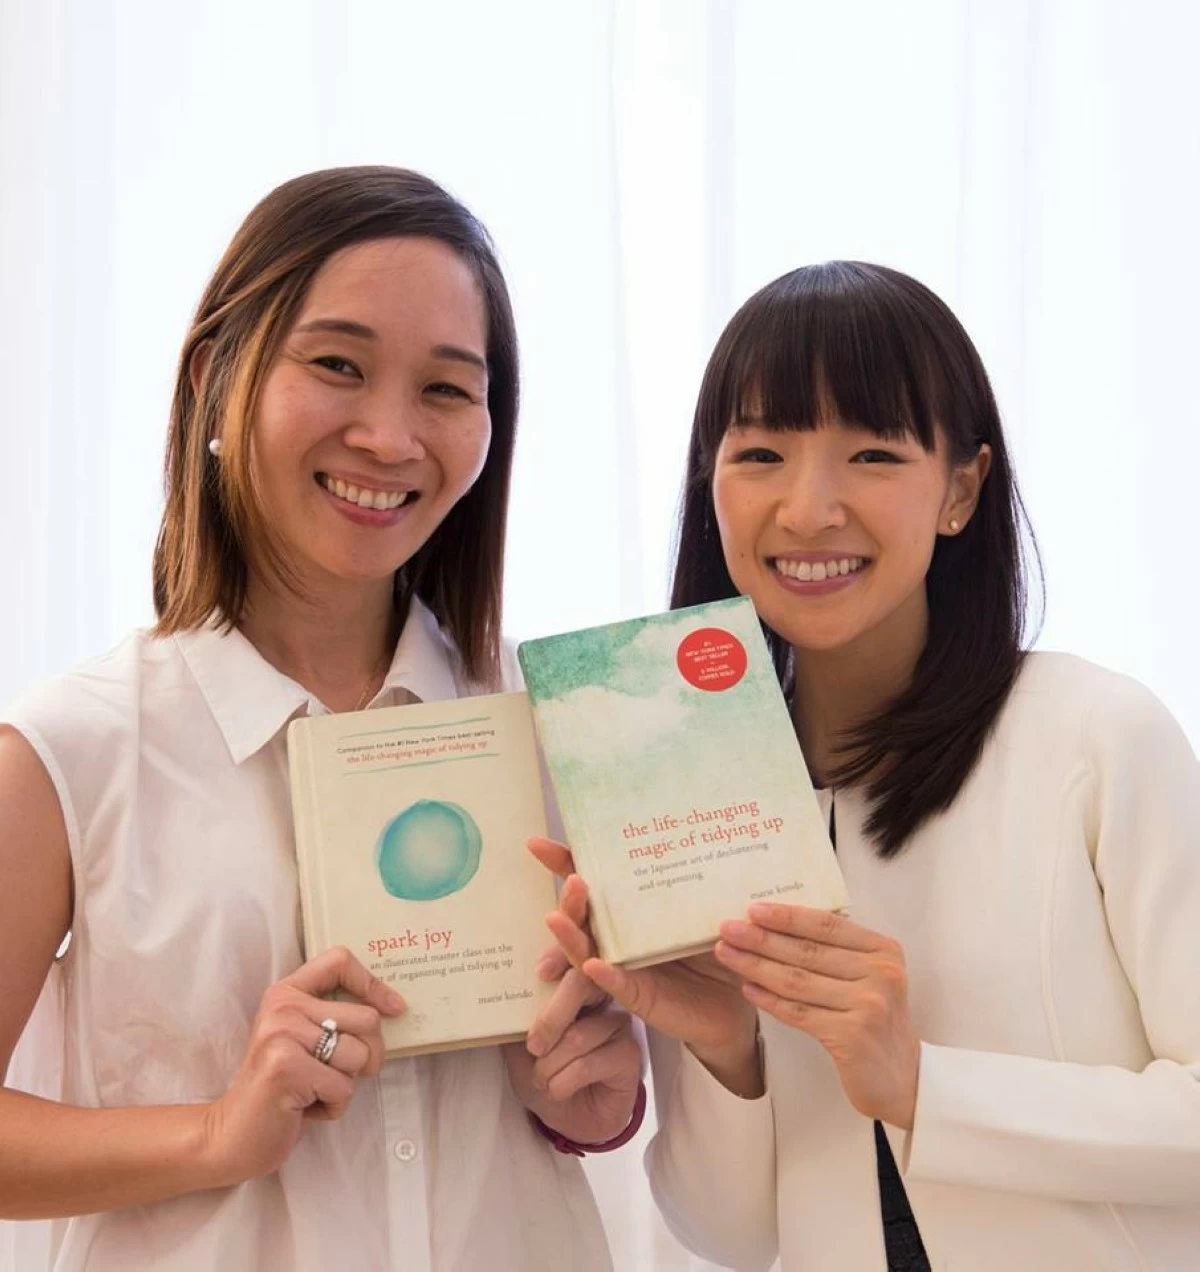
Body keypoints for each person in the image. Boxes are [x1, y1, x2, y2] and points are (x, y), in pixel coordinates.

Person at [0, 166, 642, 1272]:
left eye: (446, 389)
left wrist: (593, 1091)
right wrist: (214, 1132)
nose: (390, 437)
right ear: (217, 376)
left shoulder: (552, 730)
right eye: (339, 365)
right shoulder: (75, 750)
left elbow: (604, 1102)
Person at [530, 261, 1200, 1270]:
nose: (810, 509)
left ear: (961, 490)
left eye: (874, 454)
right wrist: (723, 1050)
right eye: (761, 452)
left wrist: (924, 1087)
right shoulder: (694, 799)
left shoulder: (1094, 734)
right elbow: (735, 1236)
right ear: (709, 481)